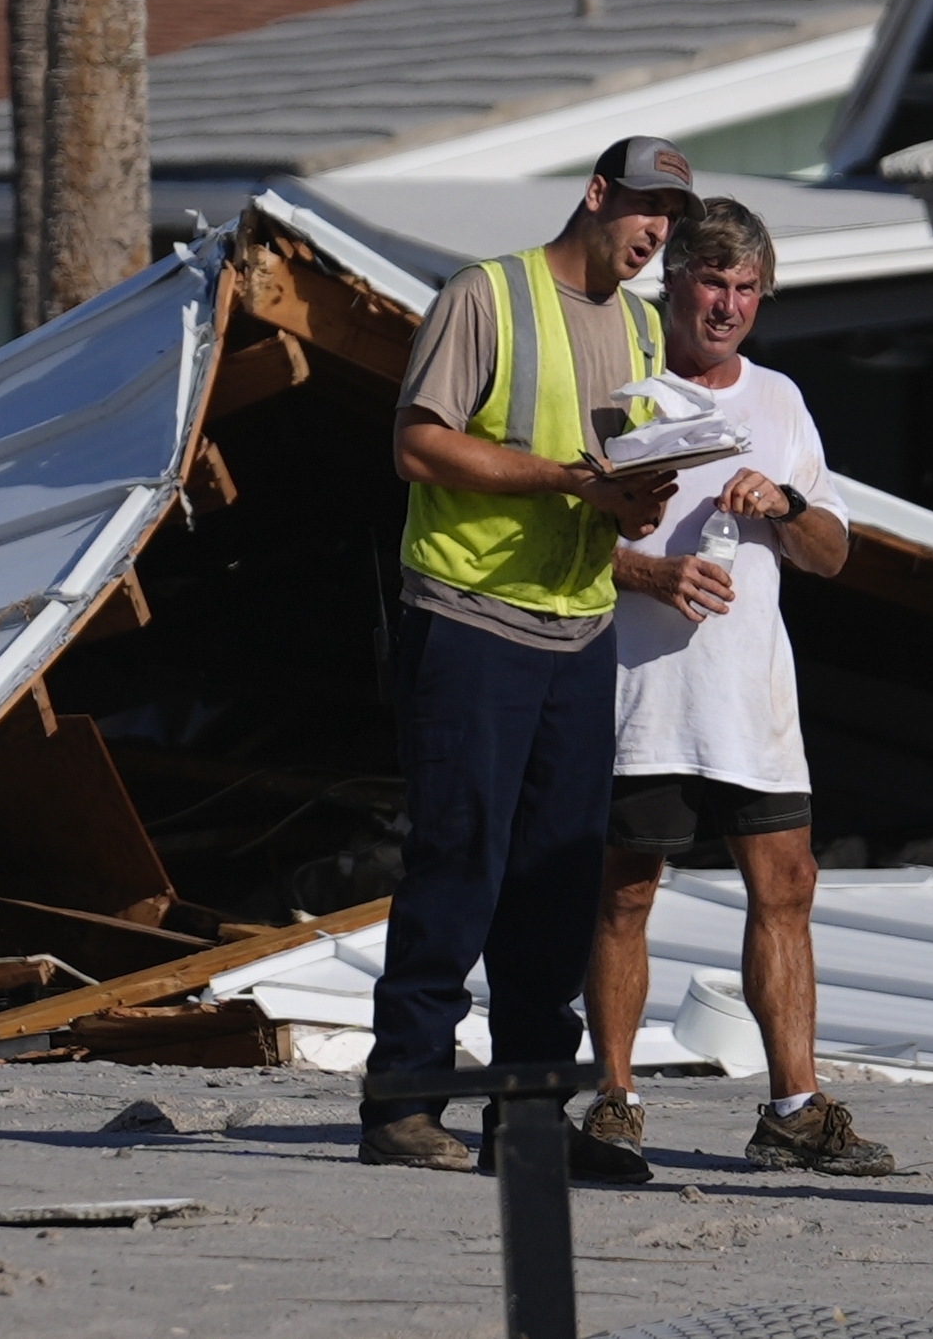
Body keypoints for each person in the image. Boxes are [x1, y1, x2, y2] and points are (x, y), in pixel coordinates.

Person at [360, 137, 698, 1181]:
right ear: (595, 194)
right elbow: (418, 444)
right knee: (461, 857)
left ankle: (531, 1118)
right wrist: (567, 480)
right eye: (644, 207)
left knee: (557, 878)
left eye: (671, 217)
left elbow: (622, 467)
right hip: (470, 614)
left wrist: (642, 493)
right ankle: (404, 1100)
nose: (655, 232)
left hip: (579, 621)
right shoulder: (486, 294)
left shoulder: (644, 322)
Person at [583, 198, 894, 1177]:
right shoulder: (615, 385)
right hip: (642, 694)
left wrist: (786, 503)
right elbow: (556, 537)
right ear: (670, 283)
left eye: (746, 287)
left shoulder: (780, 399)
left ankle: (793, 1105)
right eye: (711, 282)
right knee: (626, 894)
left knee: (786, 888)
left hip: (750, 701)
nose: (726, 304)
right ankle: (614, 1098)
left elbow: (833, 553)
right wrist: (649, 571)